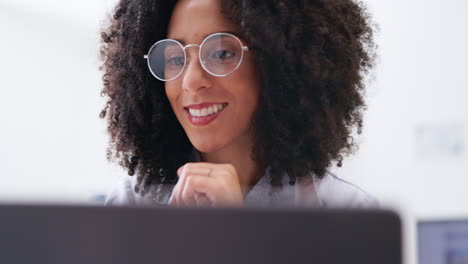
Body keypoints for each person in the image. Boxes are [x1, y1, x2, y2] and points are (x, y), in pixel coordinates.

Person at [100, 0, 378, 208]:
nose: (191, 81)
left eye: (221, 53)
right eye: (174, 59)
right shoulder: (128, 207)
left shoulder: (347, 213)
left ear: (277, 61)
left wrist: (239, 234)